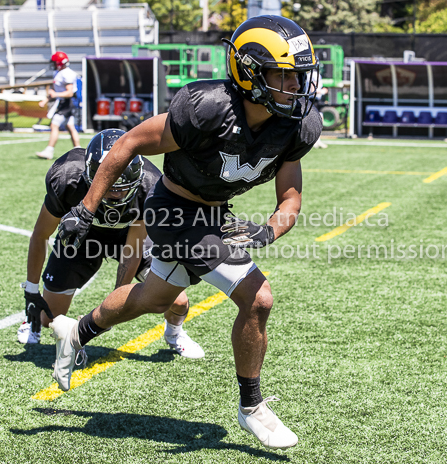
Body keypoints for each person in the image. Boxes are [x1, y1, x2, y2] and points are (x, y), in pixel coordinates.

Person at [49, 15, 321, 450]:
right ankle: (251, 406)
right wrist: (85, 208)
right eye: (284, 77)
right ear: (250, 72)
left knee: (151, 299)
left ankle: (75, 332)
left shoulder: (295, 124)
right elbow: (128, 143)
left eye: (299, 78)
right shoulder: (208, 108)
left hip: (214, 216)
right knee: (258, 297)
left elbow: (290, 199)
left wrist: (265, 233)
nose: (296, 88)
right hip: (173, 210)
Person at [20, 129, 204, 366]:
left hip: (127, 236)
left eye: (122, 187)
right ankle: (30, 319)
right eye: (110, 186)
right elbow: (40, 235)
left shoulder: (150, 185)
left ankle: (174, 332)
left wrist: (112, 308)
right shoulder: (67, 177)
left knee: (178, 301)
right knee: (48, 318)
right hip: (82, 237)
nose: (116, 195)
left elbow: (133, 248)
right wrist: (32, 289)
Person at [36, 51, 81, 160]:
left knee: (54, 125)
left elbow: (69, 92)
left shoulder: (67, 74)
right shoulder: (58, 73)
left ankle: (49, 150)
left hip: (67, 102)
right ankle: (79, 151)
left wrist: (55, 95)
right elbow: (54, 90)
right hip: (63, 102)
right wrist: (45, 100)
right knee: (70, 126)